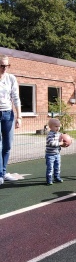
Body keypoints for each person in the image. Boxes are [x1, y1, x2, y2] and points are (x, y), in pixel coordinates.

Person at [0, 55, 22, 185]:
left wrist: (19, 116)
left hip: (8, 114)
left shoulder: (11, 78)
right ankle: (0, 174)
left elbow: (16, 97)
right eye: (2, 65)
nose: (4, 68)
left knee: (7, 146)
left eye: (6, 66)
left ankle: (3, 171)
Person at [45, 118, 65, 185]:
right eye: (56, 126)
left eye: (59, 126)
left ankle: (57, 177)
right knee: (50, 168)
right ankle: (49, 179)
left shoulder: (59, 134)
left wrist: (69, 140)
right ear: (50, 127)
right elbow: (51, 143)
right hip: (50, 155)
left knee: (57, 166)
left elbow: (64, 138)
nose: (58, 128)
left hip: (57, 154)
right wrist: (60, 143)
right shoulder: (50, 135)